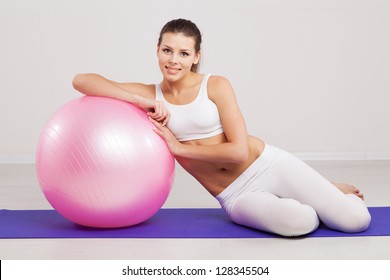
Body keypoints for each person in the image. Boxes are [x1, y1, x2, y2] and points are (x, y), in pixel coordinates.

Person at [72, 18, 371, 237]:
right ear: (158, 50)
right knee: (301, 222)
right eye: (167, 50)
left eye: (184, 53)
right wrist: (138, 99)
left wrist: (178, 147)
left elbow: (239, 151)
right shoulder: (152, 95)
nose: (174, 60)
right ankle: (316, 191)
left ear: (196, 57)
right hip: (235, 195)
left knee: (356, 220)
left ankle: (327, 190)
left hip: (267, 165)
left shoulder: (215, 85)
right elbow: (82, 80)